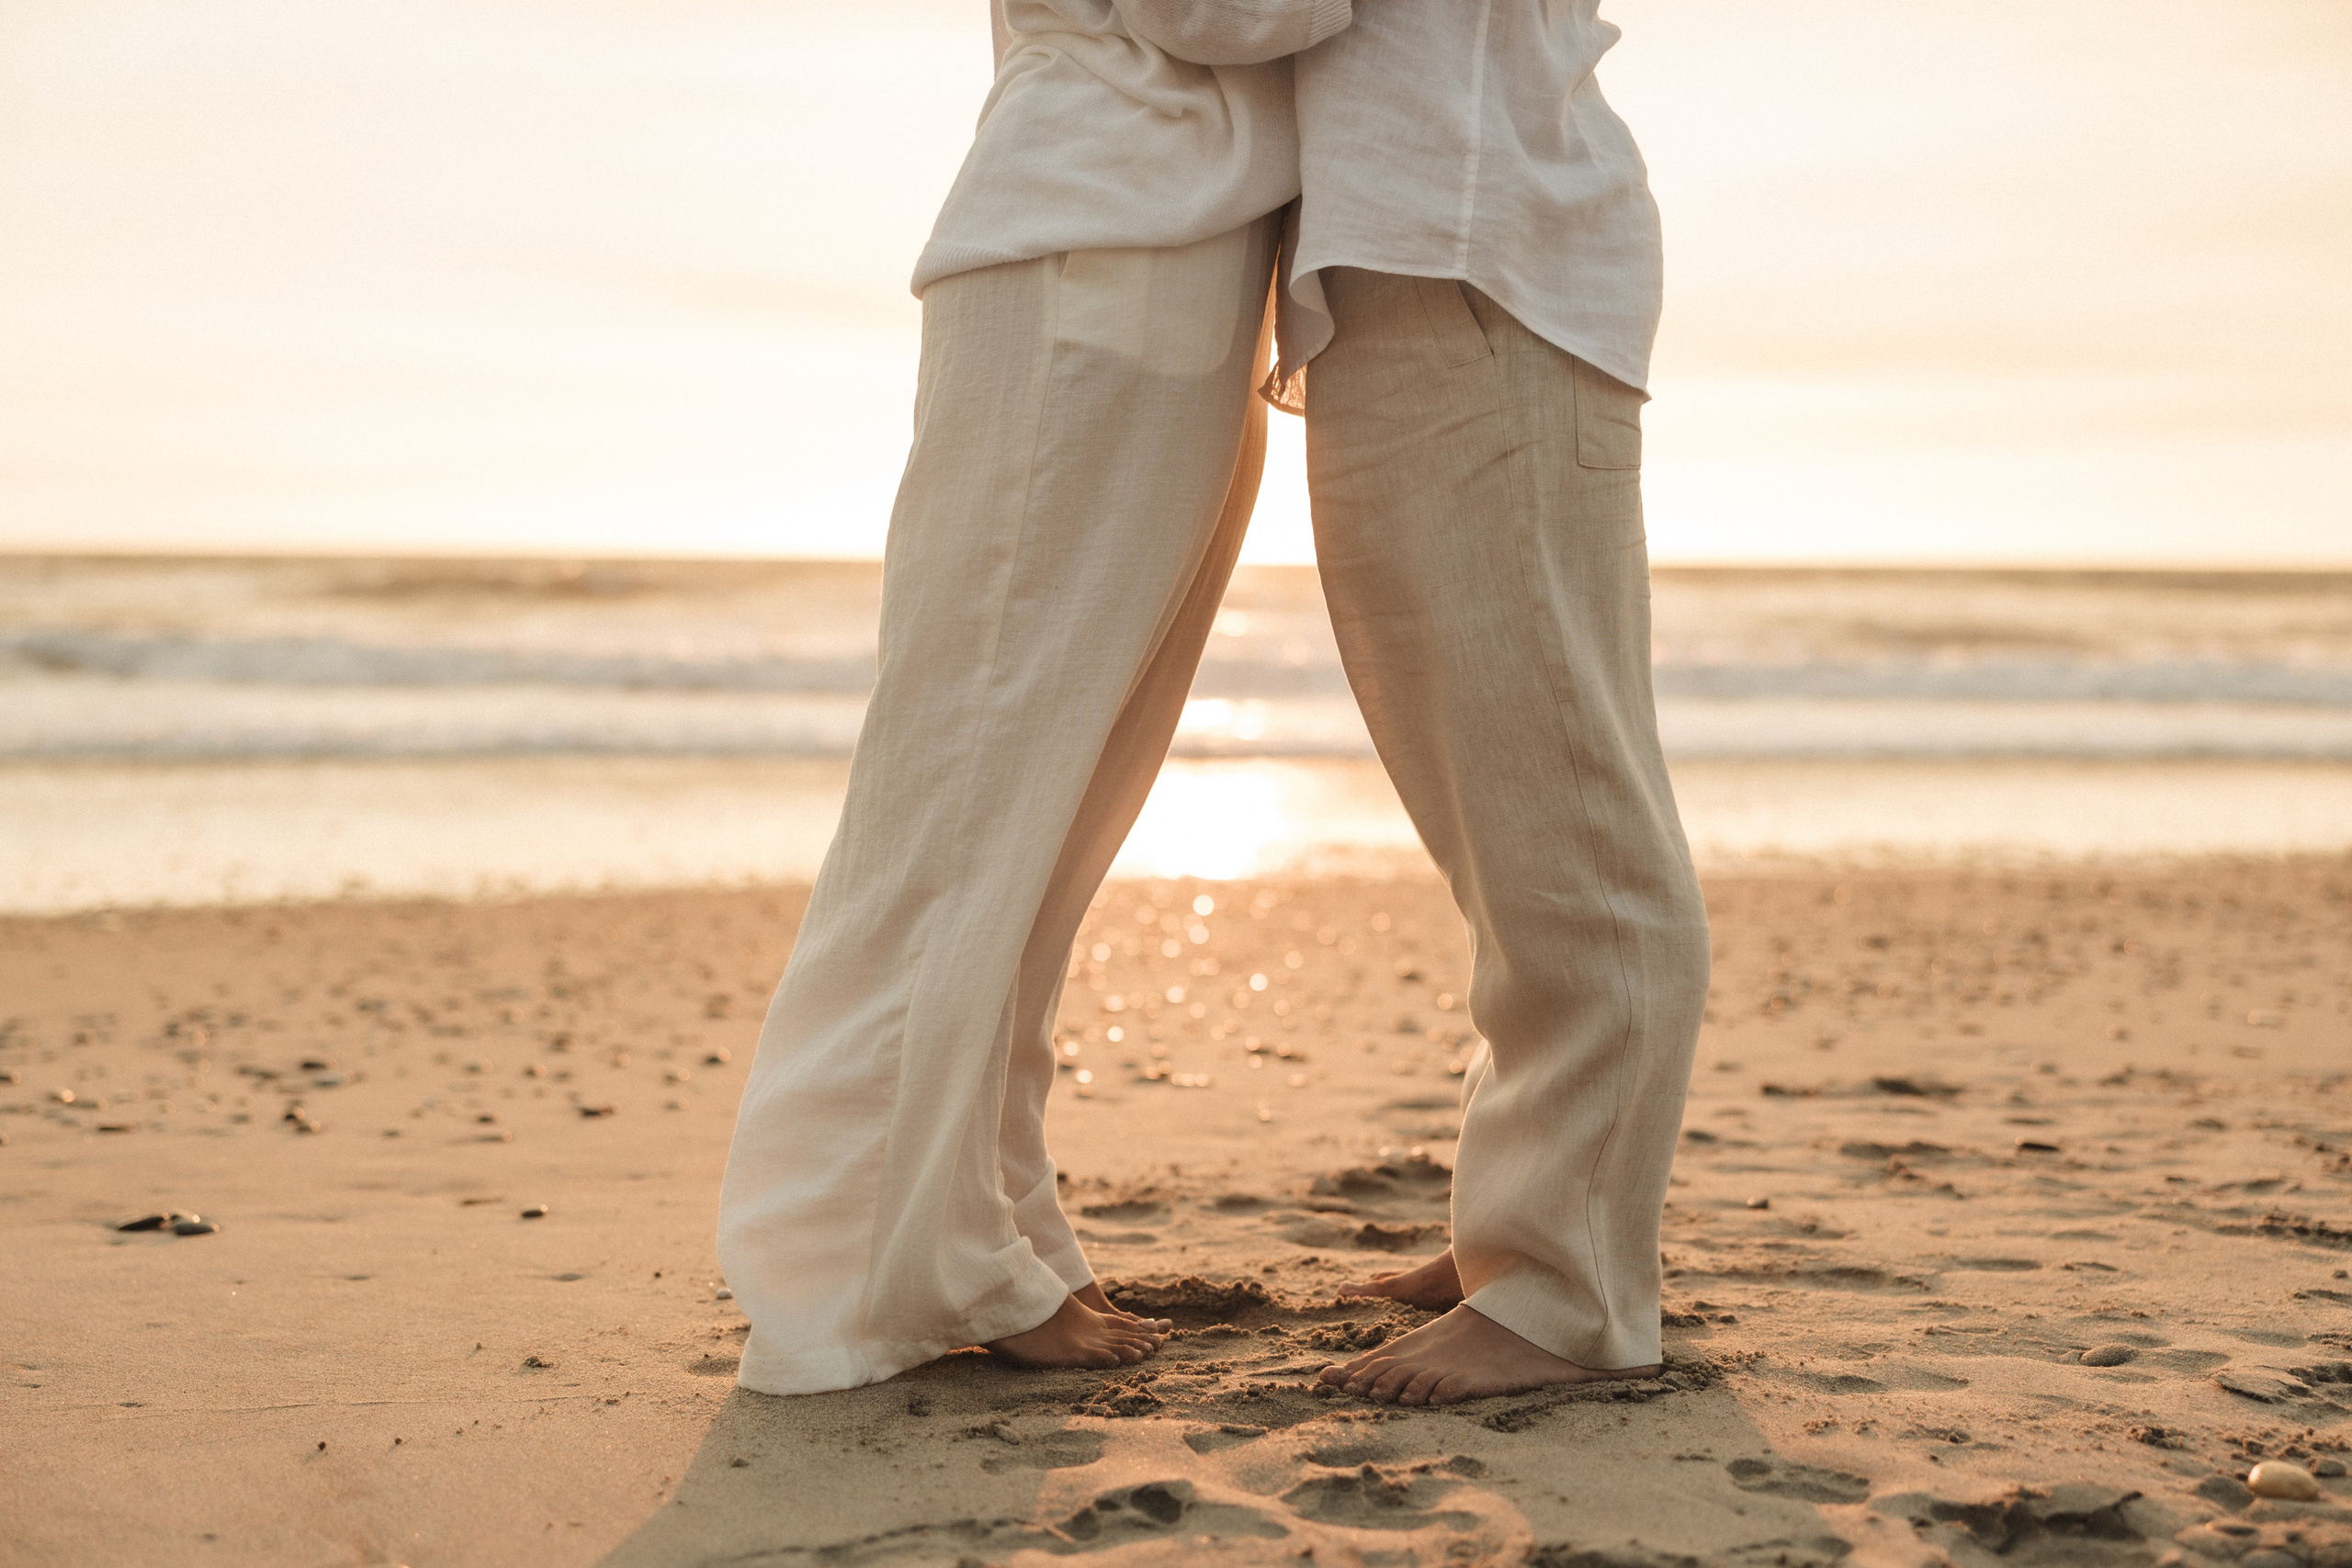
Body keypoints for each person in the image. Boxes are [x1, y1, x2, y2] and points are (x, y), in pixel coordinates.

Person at [716, 0, 1710, 1406]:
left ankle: (1562, 1262)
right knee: (1005, 794)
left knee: (1541, 780)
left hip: (1463, 245)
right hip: (1224, 242)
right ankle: (918, 1246)